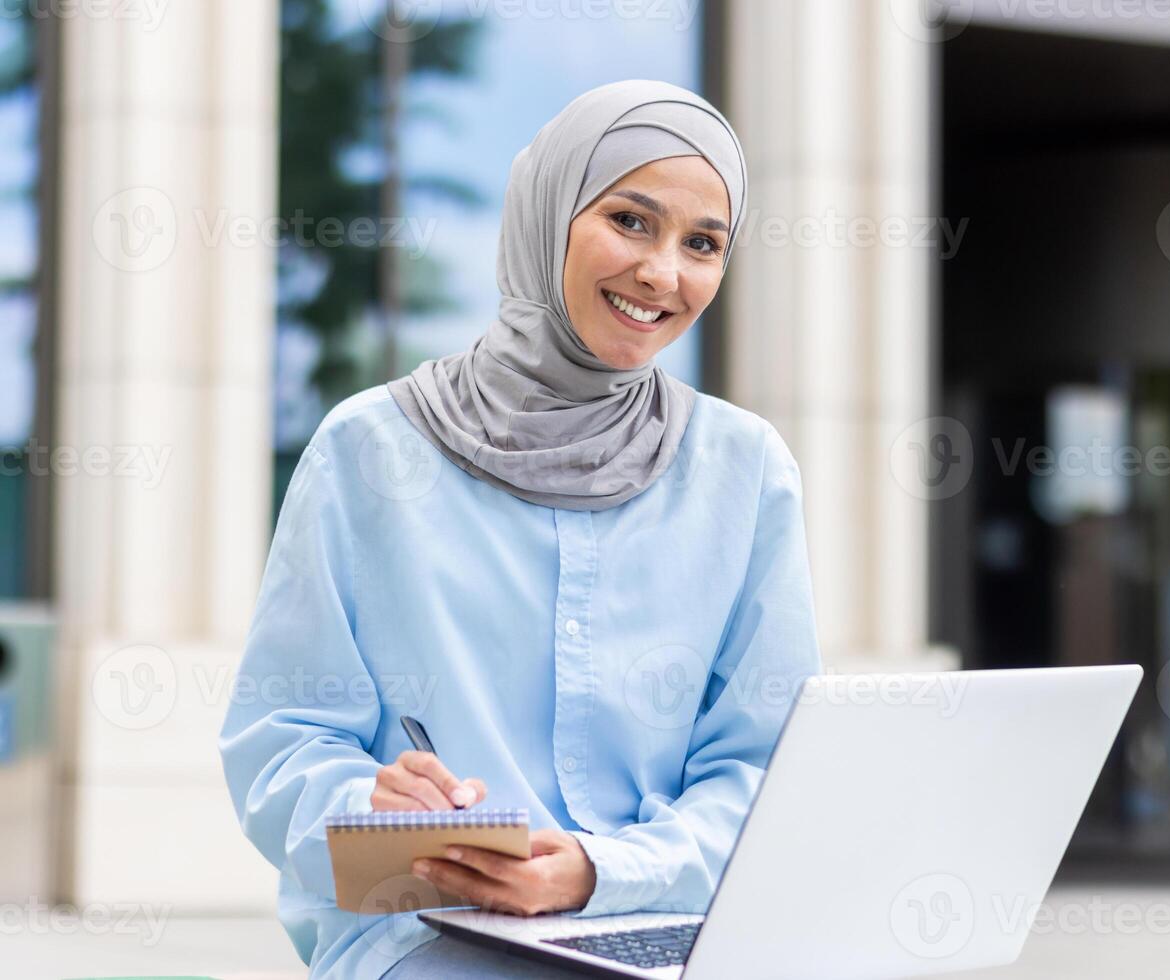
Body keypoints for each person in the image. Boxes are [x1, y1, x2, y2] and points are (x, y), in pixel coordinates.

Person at [218, 78, 823, 979]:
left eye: (702, 244)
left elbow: (768, 771)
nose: (663, 273)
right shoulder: (367, 451)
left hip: (667, 927)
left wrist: (599, 873)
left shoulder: (746, 470)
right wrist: (370, 804)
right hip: (430, 936)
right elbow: (282, 741)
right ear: (547, 217)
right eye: (630, 221)